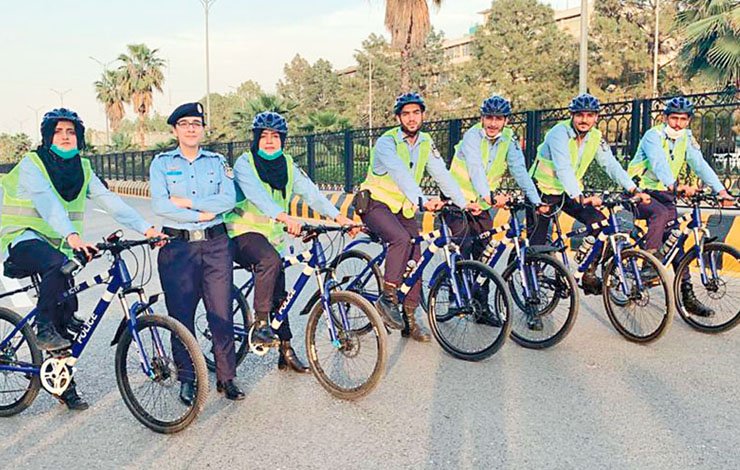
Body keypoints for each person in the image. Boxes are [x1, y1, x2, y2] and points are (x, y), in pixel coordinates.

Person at [0, 108, 164, 410]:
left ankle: (62, 383)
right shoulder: (33, 164)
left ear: (79, 137)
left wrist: (147, 228)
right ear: (48, 137)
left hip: (59, 244)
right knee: (54, 272)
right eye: (59, 131)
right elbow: (49, 206)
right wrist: (73, 238)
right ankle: (44, 327)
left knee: (68, 304)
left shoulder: (83, 169)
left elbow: (110, 201)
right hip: (21, 238)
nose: (65, 136)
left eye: (71, 132)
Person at [225, 111, 357, 372]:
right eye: (264, 136)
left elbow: (312, 194)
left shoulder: (287, 164)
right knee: (269, 261)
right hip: (241, 232)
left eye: (275, 136)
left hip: (273, 237)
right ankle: (261, 324)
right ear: (255, 139)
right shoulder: (244, 163)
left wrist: (339, 217)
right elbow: (258, 196)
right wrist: (285, 217)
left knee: (281, 296)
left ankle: (285, 350)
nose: (270, 141)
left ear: (283, 140)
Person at [357, 92, 481, 342]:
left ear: (423, 115)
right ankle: (388, 296)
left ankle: (410, 321)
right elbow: (400, 173)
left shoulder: (425, 141)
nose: (412, 118)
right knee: (401, 239)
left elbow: (442, 174)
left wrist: (463, 202)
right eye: (406, 114)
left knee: (417, 258)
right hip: (375, 204)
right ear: (398, 118)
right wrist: (423, 201)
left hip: (403, 208)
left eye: (416, 113)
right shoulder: (387, 142)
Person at [150, 102, 243, 403]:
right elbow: (161, 206)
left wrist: (189, 205)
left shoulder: (217, 162)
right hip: (177, 248)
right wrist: (204, 211)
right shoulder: (161, 164)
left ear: (202, 129)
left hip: (216, 245)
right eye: (185, 123)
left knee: (221, 313)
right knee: (181, 316)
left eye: (196, 123)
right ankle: (187, 379)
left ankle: (227, 378)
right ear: (175, 130)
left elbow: (227, 200)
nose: (191, 128)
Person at [527, 93, 650, 305]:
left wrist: (632, 189)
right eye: (580, 115)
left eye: (590, 115)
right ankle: (532, 296)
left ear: (596, 117)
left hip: (569, 191)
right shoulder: (559, 133)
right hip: (542, 191)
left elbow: (610, 164)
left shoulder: (595, 137)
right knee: (537, 245)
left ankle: (588, 271)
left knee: (600, 224)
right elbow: (563, 166)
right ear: (572, 115)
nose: (584, 120)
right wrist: (580, 196)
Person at [628, 96, 735, 316]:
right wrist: (675, 185)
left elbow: (700, 164)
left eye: (683, 119)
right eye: (674, 118)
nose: (678, 123)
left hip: (666, 194)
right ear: (665, 117)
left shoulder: (686, 137)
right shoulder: (653, 136)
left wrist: (721, 190)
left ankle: (687, 296)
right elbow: (657, 163)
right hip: (641, 193)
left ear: (688, 121)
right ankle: (650, 265)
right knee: (659, 214)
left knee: (678, 241)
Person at [448, 94, 547, 261]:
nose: (493, 123)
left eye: (498, 118)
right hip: (457, 199)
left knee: (485, 248)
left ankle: (481, 286)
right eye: (489, 118)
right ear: (482, 118)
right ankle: (456, 283)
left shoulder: (508, 138)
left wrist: (536, 200)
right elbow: (475, 169)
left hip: (481, 202)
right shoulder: (471, 136)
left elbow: (519, 171)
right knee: (463, 242)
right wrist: (490, 197)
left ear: (506, 121)